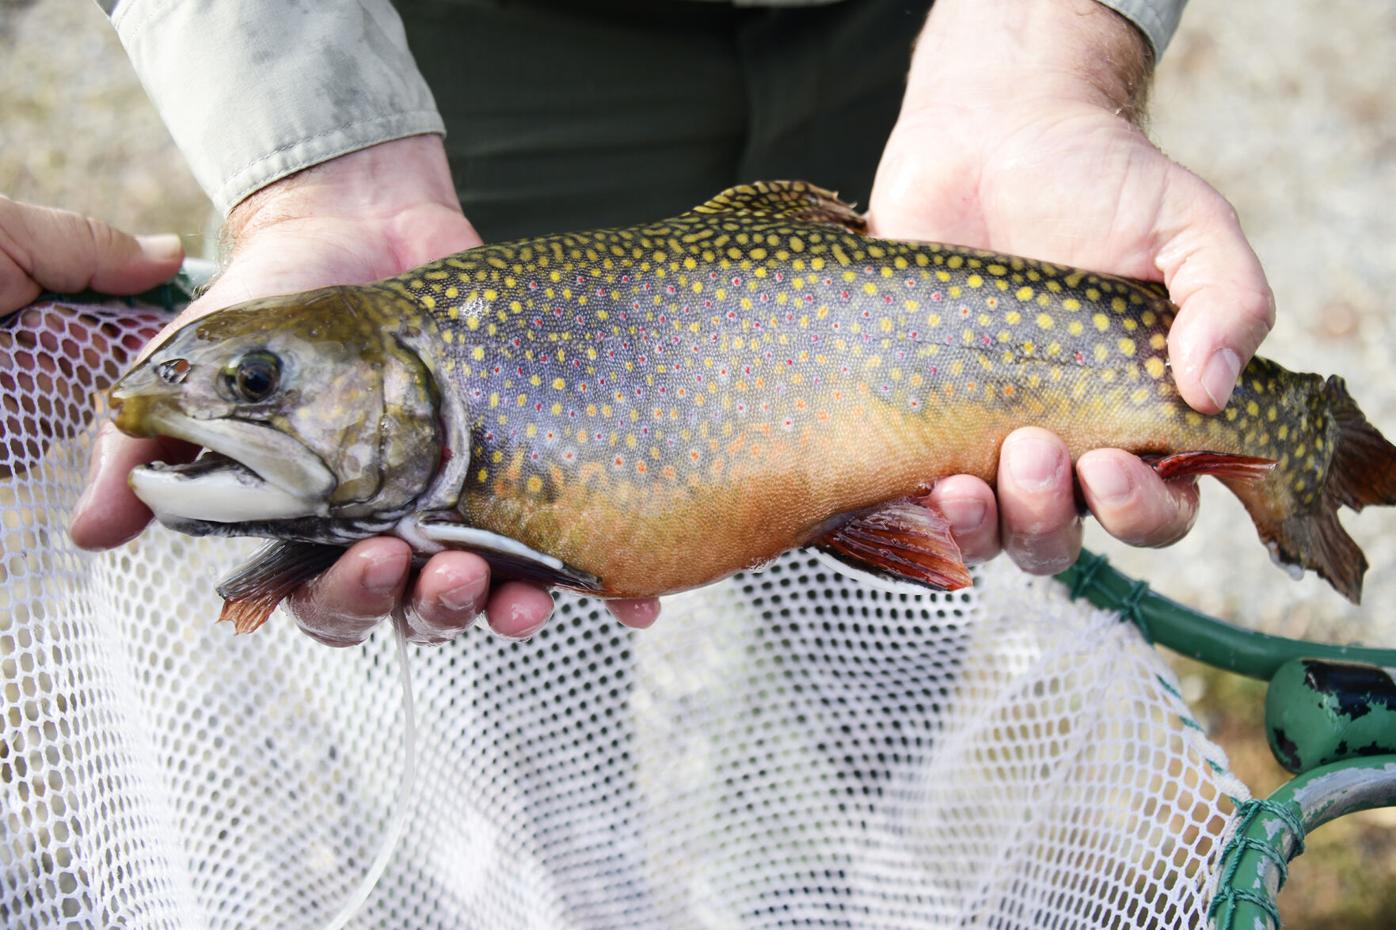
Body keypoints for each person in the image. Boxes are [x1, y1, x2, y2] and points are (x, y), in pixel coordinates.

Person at [68, 0, 1274, 647]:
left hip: (911, 42)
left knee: (897, 624)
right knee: (503, 658)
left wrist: (1044, 49)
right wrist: (317, 163)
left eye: (261, 381)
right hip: (483, 55)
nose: (235, 408)